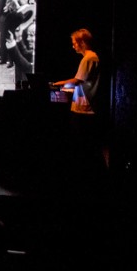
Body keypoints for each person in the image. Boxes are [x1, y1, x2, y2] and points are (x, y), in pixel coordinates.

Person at [52, 28, 106, 175]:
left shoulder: (89, 58)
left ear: (82, 42)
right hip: (83, 107)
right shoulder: (89, 58)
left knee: (83, 144)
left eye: (75, 43)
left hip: (85, 109)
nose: (73, 46)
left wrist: (57, 84)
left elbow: (77, 81)